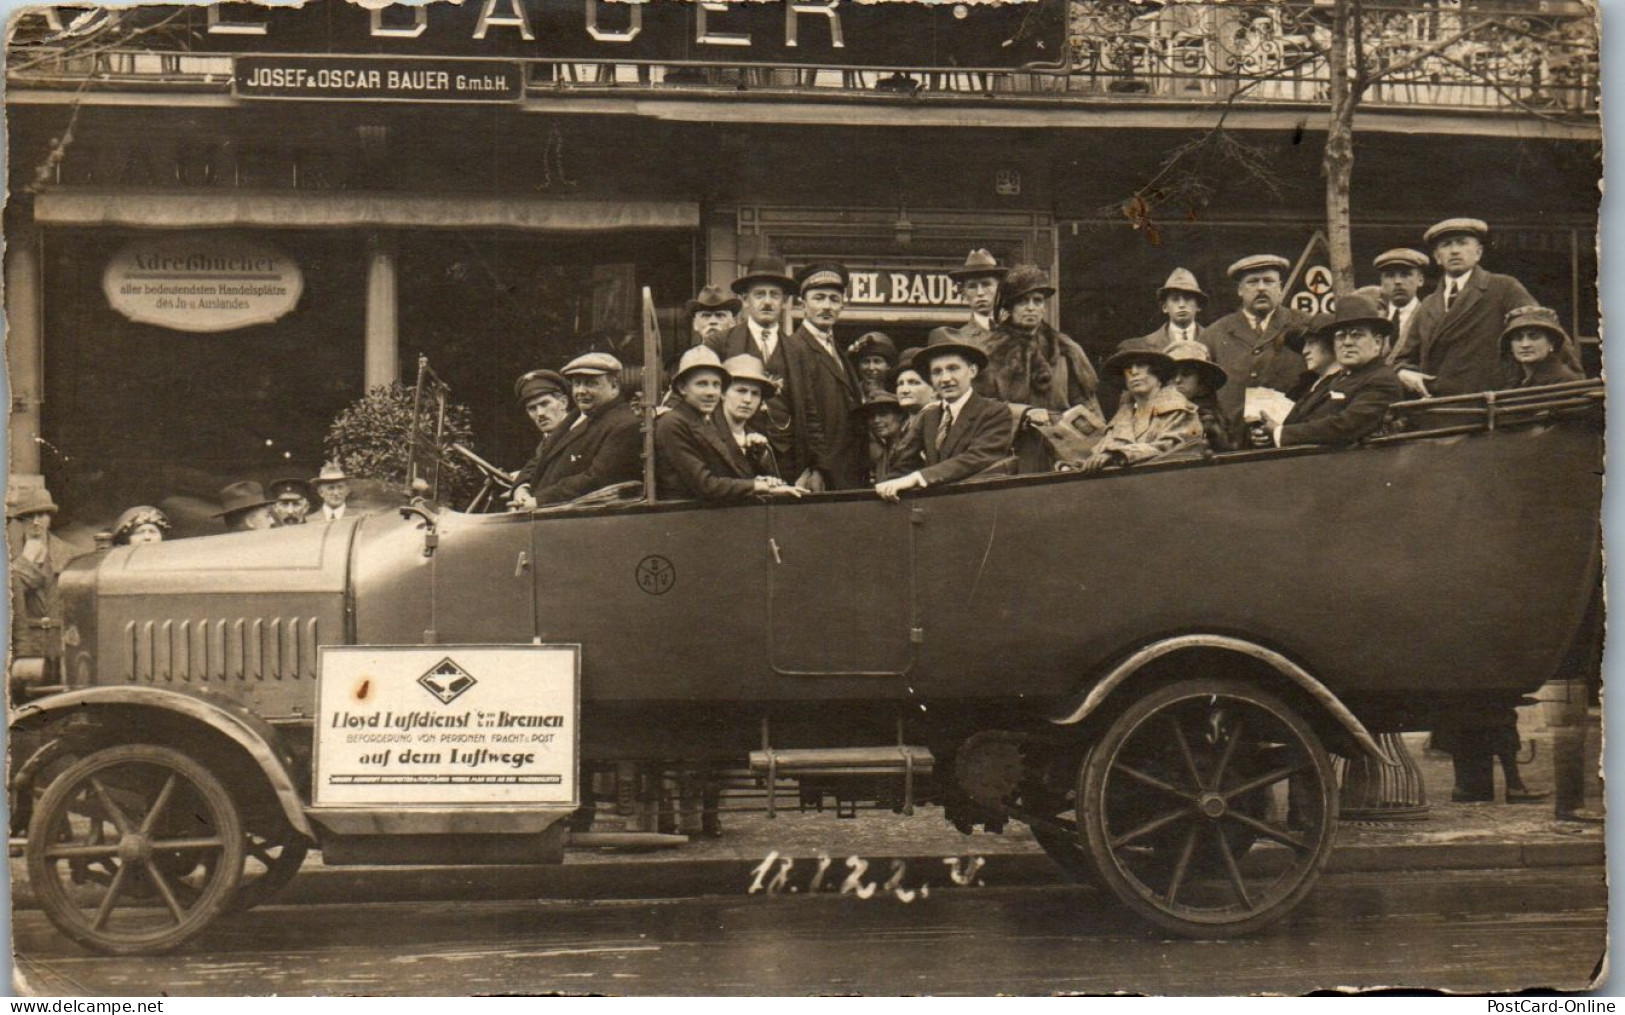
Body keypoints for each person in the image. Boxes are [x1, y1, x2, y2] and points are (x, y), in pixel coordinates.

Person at [1392, 218, 1538, 398]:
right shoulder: (1428, 305)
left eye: (1462, 243)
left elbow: (1541, 334)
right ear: (1437, 257)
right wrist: (1404, 372)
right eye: (1446, 245)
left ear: (1478, 252)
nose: (1454, 250)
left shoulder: (1504, 288)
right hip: (1437, 408)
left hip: (1489, 406)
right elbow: (1403, 359)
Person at [978, 264, 1103, 473]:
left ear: (1044, 307)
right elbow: (979, 406)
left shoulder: (1066, 350)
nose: (1031, 307)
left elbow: (1087, 404)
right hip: (1012, 452)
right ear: (1009, 307)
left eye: (1037, 301)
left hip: (1063, 452)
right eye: (1022, 301)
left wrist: (1096, 448)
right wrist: (1023, 413)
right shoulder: (990, 353)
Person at [875, 332, 1015, 502]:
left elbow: (976, 458)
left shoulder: (995, 412)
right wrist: (886, 486)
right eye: (937, 372)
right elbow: (905, 465)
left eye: (953, 368)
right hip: (937, 508)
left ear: (972, 371)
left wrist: (917, 477)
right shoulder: (929, 416)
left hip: (980, 505)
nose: (945, 378)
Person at [655, 346, 802, 504]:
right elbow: (706, 485)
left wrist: (759, 478)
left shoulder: (702, 421)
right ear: (683, 388)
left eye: (716, 385)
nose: (711, 392)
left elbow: (723, 477)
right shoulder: (673, 423)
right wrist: (759, 486)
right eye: (702, 384)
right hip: (683, 518)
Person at [1259, 294, 1405, 448]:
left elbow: (1346, 426)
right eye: (1341, 336)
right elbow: (1304, 420)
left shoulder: (1381, 380)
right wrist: (1273, 432)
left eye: (1357, 335)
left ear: (1377, 343)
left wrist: (1281, 433)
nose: (1347, 342)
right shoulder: (1338, 379)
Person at [1200, 254, 1312, 448]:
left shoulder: (1304, 325)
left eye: (1268, 281)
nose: (1261, 287)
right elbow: (1200, 393)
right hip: (1234, 447)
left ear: (1279, 287)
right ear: (1240, 290)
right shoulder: (1214, 334)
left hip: (1294, 444)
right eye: (1252, 282)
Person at [706, 255, 800, 475]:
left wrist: (813, 466)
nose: (767, 301)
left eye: (774, 295)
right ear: (746, 300)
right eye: (759, 294)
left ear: (785, 301)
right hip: (734, 455)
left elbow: (810, 410)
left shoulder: (798, 348)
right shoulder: (720, 342)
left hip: (788, 459)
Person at [782, 262, 867, 492]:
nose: (827, 306)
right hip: (820, 474)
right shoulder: (793, 348)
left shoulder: (838, 350)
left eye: (834, 299)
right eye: (818, 298)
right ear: (803, 304)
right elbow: (798, 414)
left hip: (848, 469)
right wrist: (814, 467)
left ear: (842, 304)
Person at [525, 352, 643, 507]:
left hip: (567, 515)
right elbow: (542, 458)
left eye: (590, 383)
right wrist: (522, 487)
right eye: (576, 383)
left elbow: (596, 479)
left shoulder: (624, 424)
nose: (580, 391)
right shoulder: (577, 417)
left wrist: (539, 500)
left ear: (614, 386)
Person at [1071, 349, 1205, 473]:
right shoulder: (1121, 419)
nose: (1133, 372)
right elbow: (1098, 454)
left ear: (1158, 373)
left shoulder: (1179, 410)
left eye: (1141, 365)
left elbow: (1172, 449)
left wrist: (1117, 454)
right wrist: (1071, 467)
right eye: (1128, 368)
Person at [7, 484, 82, 665]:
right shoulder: (10, 558)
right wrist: (25, 561)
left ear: (50, 519)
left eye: (41, 515)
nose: (35, 522)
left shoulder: (71, 556)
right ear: (21, 522)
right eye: (29, 517)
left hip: (63, 645)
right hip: (25, 647)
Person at [509, 368, 576, 509]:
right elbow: (533, 466)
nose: (540, 413)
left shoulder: (578, 432)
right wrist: (522, 487)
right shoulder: (548, 439)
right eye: (532, 408)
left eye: (545, 404)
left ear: (563, 403)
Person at [716, 354, 785, 480]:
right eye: (741, 391)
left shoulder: (758, 443)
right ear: (722, 393)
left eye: (755, 393)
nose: (748, 400)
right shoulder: (706, 434)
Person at [1118, 268, 1207, 354]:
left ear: (1198, 306)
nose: (1181, 305)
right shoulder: (1141, 347)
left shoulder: (1213, 342)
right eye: (1175, 299)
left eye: (1188, 298)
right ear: (1165, 307)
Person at [1165, 340, 1232, 453]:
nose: (1177, 380)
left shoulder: (1208, 419)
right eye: (1172, 375)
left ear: (1202, 381)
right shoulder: (1152, 413)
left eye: (1186, 374)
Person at [1502, 305, 1584, 388]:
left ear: (1551, 343)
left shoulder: (1563, 381)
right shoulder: (1517, 381)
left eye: (1534, 337)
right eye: (1518, 338)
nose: (1525, 345)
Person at [1373, 248, 1430, 362]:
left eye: (1405, 274)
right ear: (1382, 282)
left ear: (1420, 280)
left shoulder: (1429, 316)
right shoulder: (1374, 318)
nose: (1398, 281)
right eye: (1390, 275)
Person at [947, 248, 1007, 347]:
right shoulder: (959, 340)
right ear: (964, 293)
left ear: (999, 288)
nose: (980, 293)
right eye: (972, 286)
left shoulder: (1017, 332)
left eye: (986, 284)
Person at [860, 392, 915, 484]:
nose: (876, 420)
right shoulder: (883, 454)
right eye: (871, 416)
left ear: (900, 415)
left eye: (883, 414)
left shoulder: (912, 447)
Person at [847, 331, 897, 399]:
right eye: (866, 361)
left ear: (888, 366)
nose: (871, 367)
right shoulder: (849, 395)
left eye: (877, 361)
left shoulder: (898, 393)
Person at [890, 348, 932, 417]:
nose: (905, 390)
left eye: (913, 383)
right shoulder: (904, 426)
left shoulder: (941, 423)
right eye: (900, 384)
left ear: (934, 390)